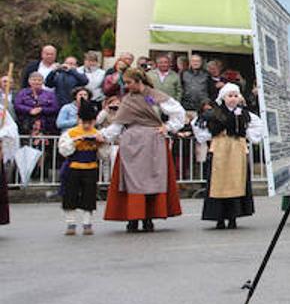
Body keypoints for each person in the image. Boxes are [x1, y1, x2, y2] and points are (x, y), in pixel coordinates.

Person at [101, 67, 185, 232]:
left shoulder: (153, 96)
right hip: (131, 142)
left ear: (139, 81)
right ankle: (134, 218)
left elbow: (179, 112)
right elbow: (118, 124)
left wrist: (167, 127)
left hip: (152, 141)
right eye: (125, 82)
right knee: (132, 180)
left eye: (129, 82)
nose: (126, 86)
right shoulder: (127, 99)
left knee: (152, 179)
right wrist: (103, 136)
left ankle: (148, 218)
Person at [198, 83, 263, 229]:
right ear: (223, 97)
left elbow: (257, 126)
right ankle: (219, 217)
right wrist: (211, 134)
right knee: (219, 181)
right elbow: (200, 126)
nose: (233, 99)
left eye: (235, 96)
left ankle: (233, 216)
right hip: (220, 148)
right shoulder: (215, 113)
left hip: (236, 150)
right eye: (230, 96)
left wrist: (246, 134)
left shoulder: (244, 114)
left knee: (236, 180)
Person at [58, 99, 105, 235]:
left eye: (89, 122)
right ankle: (70, 223)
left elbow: (104, 156)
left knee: (89, 196)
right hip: (73, 168)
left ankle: (87, 223)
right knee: (70, 195)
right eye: (84, 122)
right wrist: (74, 143)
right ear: (79, 119)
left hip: (91, 168)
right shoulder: (70, 133)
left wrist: (101, 144)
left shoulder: (97, 133)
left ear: (94, 121)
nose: (86, 125)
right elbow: (63, 151)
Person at [16, 71, 59, 136]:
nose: (36, 82)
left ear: (43, 82)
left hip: (46, 124)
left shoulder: (50, 94)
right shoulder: (22, 93)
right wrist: (29, 110)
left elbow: (55, 107)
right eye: (34, 80)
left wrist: (42, 109)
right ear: (29, 81)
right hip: (26, 123)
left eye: (39, 80)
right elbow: (17, 105)